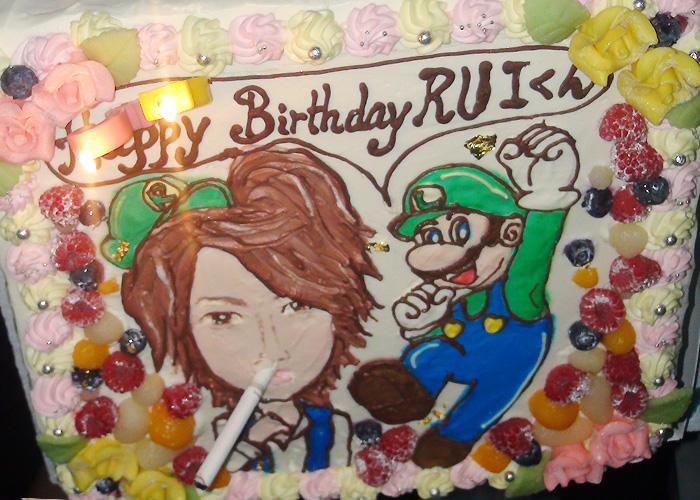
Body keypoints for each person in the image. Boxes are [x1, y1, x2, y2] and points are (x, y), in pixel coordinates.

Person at [106, 147, 380, 472]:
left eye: (297, 304)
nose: (273, 349)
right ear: (180, 325)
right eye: (222, 317)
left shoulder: (341, 433)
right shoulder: (205, 437)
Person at [349, 122, 581, 468]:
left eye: (458, 230)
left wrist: (548, 194)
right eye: (429, 237)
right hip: (459, 345)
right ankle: (409, 391)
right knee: (429, 352)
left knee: (488, 399)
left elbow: (534, 254)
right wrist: (420, 325)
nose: (438, 254)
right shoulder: (453, 292)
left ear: (510, 232)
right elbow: (436, 329)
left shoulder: (518, 293)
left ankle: (455, 436)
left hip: (509, 360)